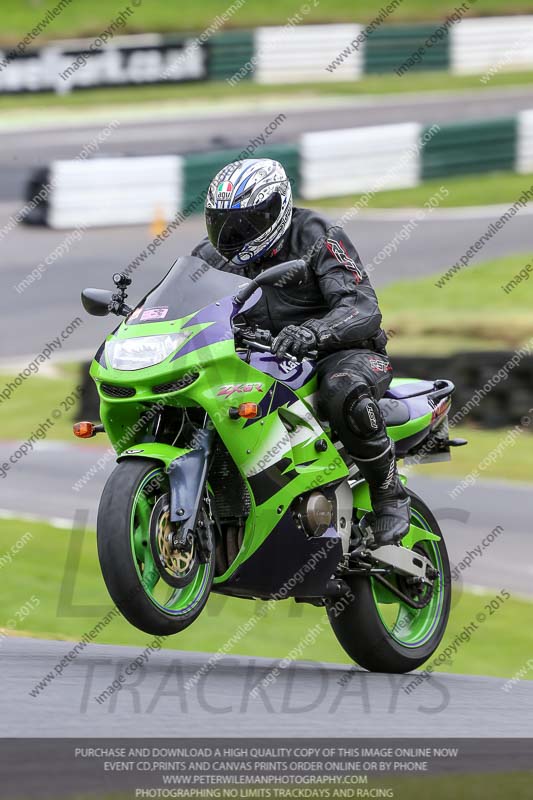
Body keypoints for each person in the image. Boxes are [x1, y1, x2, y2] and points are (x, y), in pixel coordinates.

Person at [191, 157, 410, 547]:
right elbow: (178, 307)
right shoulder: (208, 258)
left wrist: (314, 332)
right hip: (265, 358)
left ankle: (389, 496)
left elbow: (362, 307)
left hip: (344, 353)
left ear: (276, 209)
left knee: (341, 388)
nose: (232, 235)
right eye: (222, 224)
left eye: (245, 224)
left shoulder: (315, 234)